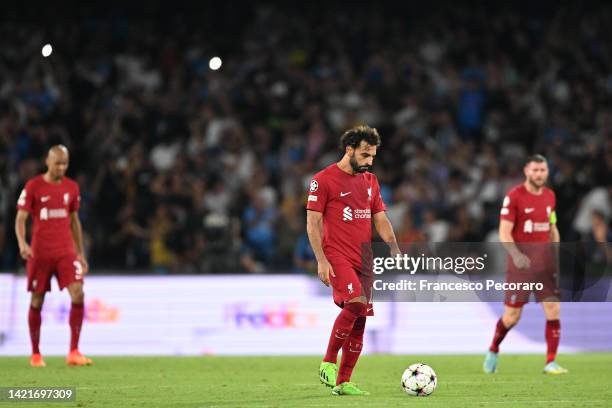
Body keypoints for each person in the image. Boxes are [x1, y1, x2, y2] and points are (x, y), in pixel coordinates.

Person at [306, 126, 400, 396]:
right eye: (365, 155)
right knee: (356, 303)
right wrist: (321, 260)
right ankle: (327, 362)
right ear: (349, 150)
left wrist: (393, 246)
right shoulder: (323, 180)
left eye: (372, 156)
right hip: (337, 255)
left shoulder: (370, 181)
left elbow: (379, 217)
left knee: (360, 319)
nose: (370, 161)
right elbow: (312, 223)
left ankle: (343, 382)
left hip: (365, 258)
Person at [483, 154, 567, 375]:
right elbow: (504, 232)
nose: (539, 174)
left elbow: (552, 228)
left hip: (545, 266)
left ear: (547, 172)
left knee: (553, 309)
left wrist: (556, 253)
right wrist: (516, 254)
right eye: (535, 170)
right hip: (521, 266)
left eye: (543, 170)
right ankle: (493, 349)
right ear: (526, 171)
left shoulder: (550, 196)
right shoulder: (514, 197)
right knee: (512, 317)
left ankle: (551, 361)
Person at [15, 145, 93, 367]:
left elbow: (75, 221)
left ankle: (74, 352)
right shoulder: (33, 186)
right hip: (40, 252)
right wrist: (22, 243)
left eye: (65, 163)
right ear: (47, 161)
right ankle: (36, 354)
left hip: (65, 251)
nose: (61, 167)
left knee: (78, 294)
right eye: (57, 163)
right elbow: (21, 218)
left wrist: (80, 253)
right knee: (37, 299)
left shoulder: (72, 187)